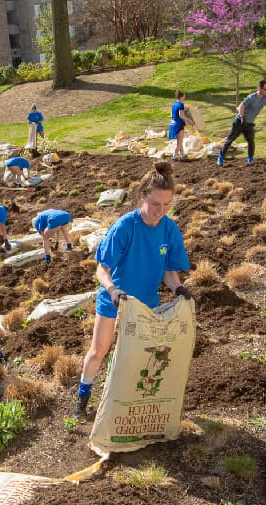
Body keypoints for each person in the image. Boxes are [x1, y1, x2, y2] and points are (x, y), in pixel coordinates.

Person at [73, 161, 192, 417]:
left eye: (167, 205)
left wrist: (178, 289)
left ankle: (125, 402)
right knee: (99, 351)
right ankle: (82, 398)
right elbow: (101, 269)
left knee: (137, 356)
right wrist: (113, 291)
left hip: (146, 303)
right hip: (115, 300)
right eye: (155, 204)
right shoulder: (126, 227)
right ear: (142, 197)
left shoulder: (169, 229)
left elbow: (169, 272)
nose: (161, 211)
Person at [168, 90, 200, 161]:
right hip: (179, 124)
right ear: (181, 97)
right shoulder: (181, 105)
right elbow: (181, 115)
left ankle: (183, 154)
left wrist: (186, 109)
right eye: (184, 96)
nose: (185, 97)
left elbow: (176, 112)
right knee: (180, 141)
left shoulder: (174, 104)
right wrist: (190, 120)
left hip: (173, 124)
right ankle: (174, 155)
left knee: (179, 141)